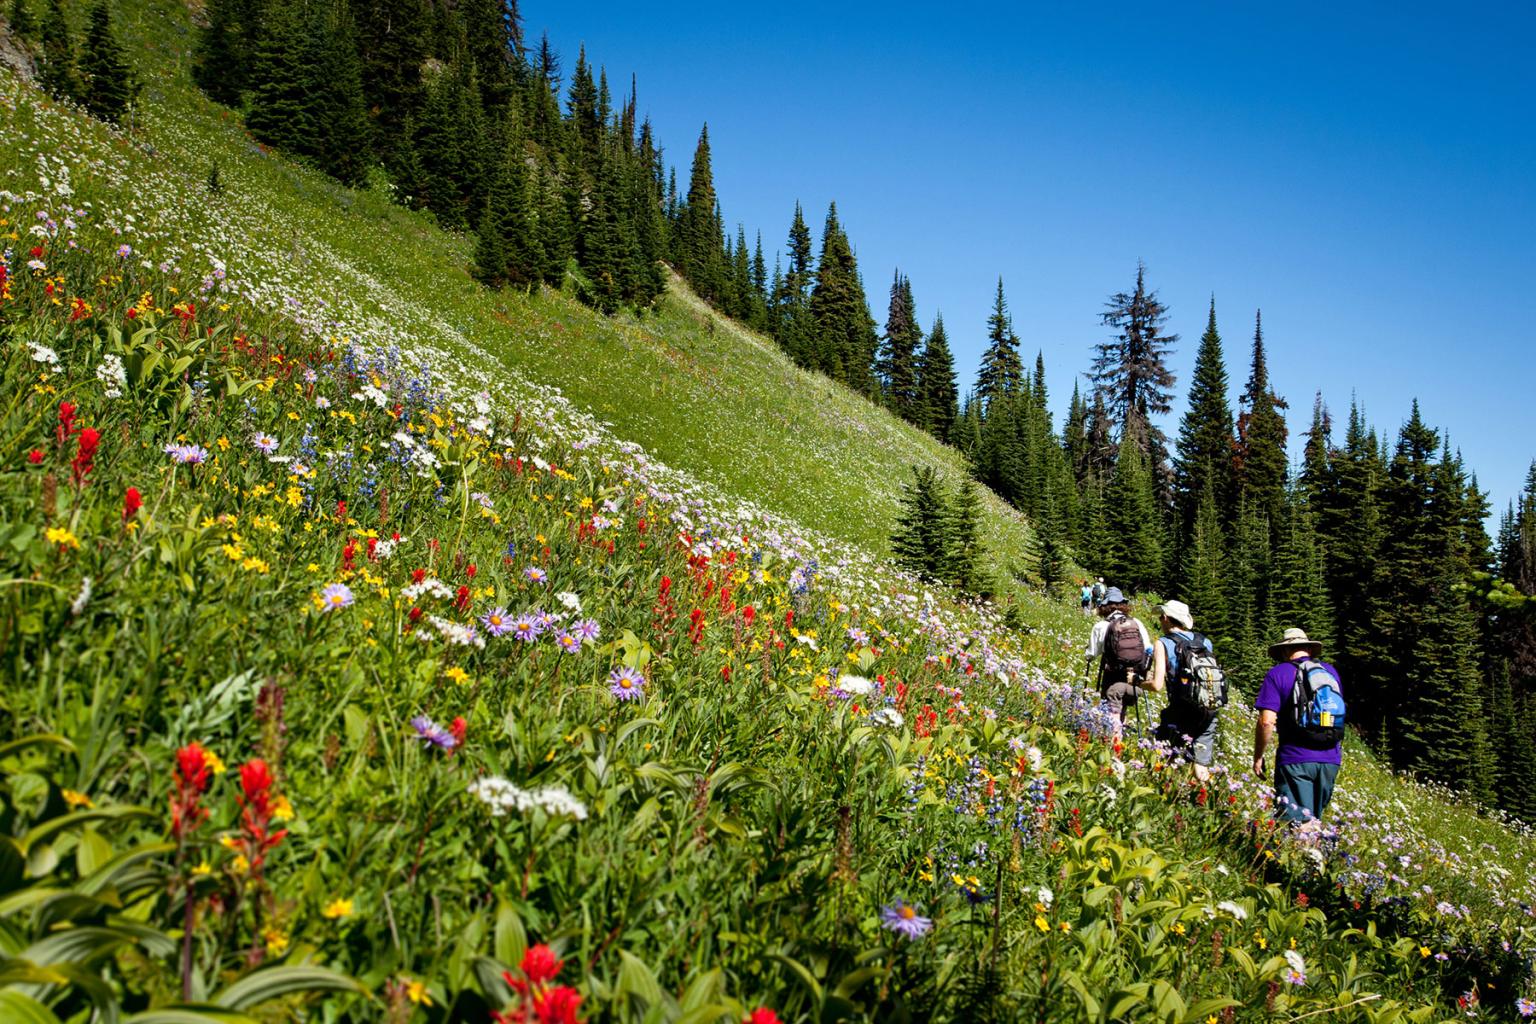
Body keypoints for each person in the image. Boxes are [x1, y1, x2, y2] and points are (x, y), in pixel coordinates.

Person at [1252, 627, 1344, 827]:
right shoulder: (1330, 672)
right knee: (1314, 822)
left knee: (1297, 825)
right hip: (1331, 760)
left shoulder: (1278, 674)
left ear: (1285, 651)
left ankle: (1302, 858)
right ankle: (1319, 856)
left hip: (1295, 759)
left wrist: (1258, 756)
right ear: (1309, 649)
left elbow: (1267, 721)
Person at [1148, 600, 1223, 782]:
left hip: (1181, 709)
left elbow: (1157, 685)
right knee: (1200, 764)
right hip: (1208, 707)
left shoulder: (1163, 643)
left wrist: (1138, 682)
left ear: (1165, 618)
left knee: (1165, 754)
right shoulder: (1205, 641)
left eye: (1160, 617)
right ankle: (1206, 802)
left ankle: (1163, 795)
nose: (1160, 621)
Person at [1083, 587, 1152, 738]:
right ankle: (1119, 739)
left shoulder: (1101, 626)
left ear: (1105, 606)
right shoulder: (1137, 623)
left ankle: (1112, 743)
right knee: (1123, 706)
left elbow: (1091, 655)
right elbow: (1148, 649)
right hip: (1135, 678)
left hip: (1112, 677)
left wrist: (1087, 653)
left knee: (1112, 708)